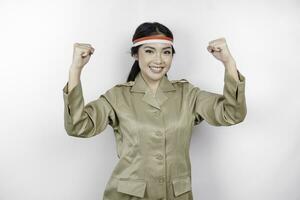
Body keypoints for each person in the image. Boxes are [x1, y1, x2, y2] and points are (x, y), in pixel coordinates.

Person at [62, 22, 247, 200]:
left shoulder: (188, 94)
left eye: (166, 52)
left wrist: (228, 62)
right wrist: (76, 69)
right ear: (136, 55)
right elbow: (78, 127)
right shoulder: (117, 96)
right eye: (149, 51)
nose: (159, 60)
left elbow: (232, 114)